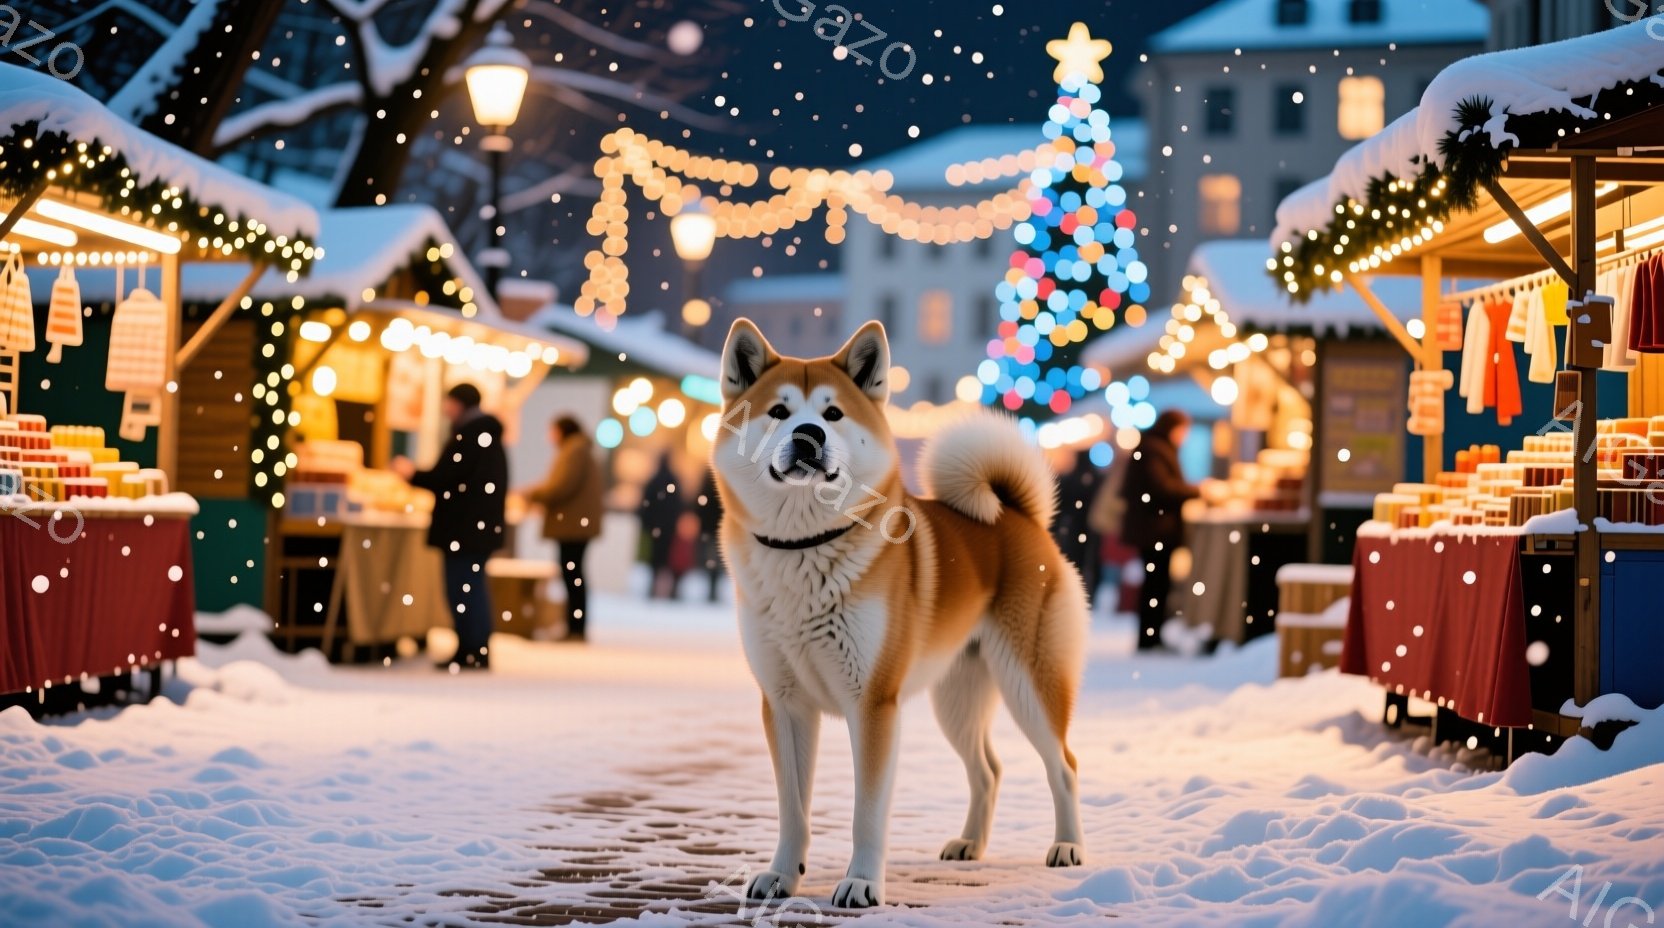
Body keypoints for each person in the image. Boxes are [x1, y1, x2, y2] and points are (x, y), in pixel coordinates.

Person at [391, 383, 507, 671]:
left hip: (464, 529)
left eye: (449, 402)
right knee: (471, 588)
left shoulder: (471, 435)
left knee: (462, 589)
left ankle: (471, 649)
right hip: (476, 529)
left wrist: (411, 474)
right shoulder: (486, 435)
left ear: (460, 404)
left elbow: (446, 477)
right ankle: (474, 649)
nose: (446, 409)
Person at [1119, 410, 1200, 652]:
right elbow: (1161, 488)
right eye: (1183, 430)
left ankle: (1151, 636)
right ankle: (1150, 637)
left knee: (1156, 583)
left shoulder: (1153, 447)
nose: (1184, 437)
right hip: (1155, 531)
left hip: (1154, 530)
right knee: (1156, 584)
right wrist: (1197, 491)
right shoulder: (1155, 450)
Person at [521, 415, 603, 641]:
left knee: (573, 576)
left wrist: (532, 494)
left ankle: (576, 627)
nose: (549, 437)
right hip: (576, 525)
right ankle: (575, 625)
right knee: (573, 575)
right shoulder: (579, 450)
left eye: (552, 431)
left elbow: (561, 486)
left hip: (573, 526)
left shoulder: (574, 451)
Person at [1052, 451, 1104, 606]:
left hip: (1073, 527)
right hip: (1092, 528)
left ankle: (1073, 594)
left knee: (1074, 561)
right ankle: (1088, 595)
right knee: (1091, 561)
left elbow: (1060, 505)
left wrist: (1058, 526)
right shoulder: (1097, 479)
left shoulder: (1069, 478)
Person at [638, 452, 685, 599]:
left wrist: (647, 523)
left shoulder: (654, 480)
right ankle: (669, 589)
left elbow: (646, 505)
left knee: (655, 558)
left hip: (655, 527)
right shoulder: (673, 480)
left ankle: (654, 586)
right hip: (668, 527)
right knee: (667, 558)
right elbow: (678, 504)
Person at [693, 467, 724, 603]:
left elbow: (699, 508)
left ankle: (711, 590)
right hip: (720, 530)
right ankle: (713, 590)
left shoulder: (705, 488)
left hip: (708, 531)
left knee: (711, 560)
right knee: (717, 561)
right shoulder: (723, 488)